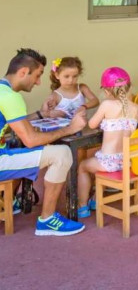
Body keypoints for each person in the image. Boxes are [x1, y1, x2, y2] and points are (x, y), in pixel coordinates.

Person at [0, 48, 86, 236]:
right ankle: (47, 220)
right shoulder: (11, 97)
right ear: (23, 72)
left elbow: (13, 122)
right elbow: (31, 140)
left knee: (16, 145)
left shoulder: (2, 91)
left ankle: (10, 201)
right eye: (37, 76)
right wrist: (70, 129)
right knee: (62, 153)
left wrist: (42, 114)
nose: (38, 82)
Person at [76, 67, 138, 219]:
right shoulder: (135, 107)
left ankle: (82, 206)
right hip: (126, 162)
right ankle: (95, 200)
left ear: (106, 91)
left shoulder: (106, 105)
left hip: (108, 163)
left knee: (83, 166)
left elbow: (92, 124)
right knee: (100, 163)